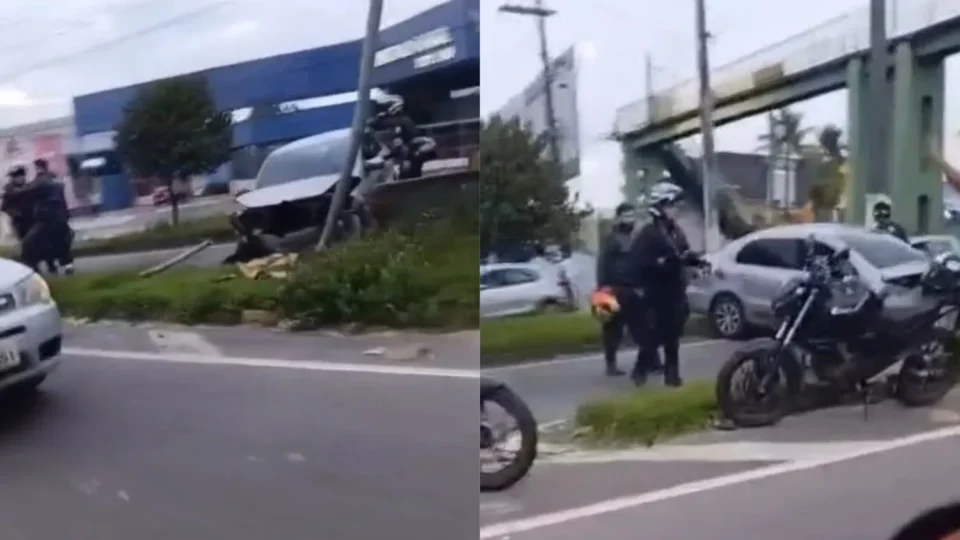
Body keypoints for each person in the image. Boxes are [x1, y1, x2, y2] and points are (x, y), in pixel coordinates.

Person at [628, 181, 708, 387]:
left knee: (673, 337)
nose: (677, 209)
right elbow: (639, 264)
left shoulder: (675, 232)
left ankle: (672, 377)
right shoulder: (648, 234)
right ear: (660, 206)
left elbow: (683, 253)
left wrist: (697, 261)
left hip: (675, 292)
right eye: (672, 205)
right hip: (655, 294)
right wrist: (662, 264)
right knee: (652, 338)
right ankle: (639, 372)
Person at [594, 202, 662, 377]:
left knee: (645, 325)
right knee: (612, 329)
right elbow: (603, 264)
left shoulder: (637, 237)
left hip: (634, 289)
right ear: (618, 218)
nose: (629, 219)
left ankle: (653, 362)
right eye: (626, 215)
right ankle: (611, 364)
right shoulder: (611, 239)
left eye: (632, 215)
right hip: (614, 289)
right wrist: (603, 289)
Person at [33, 158, 75, 274]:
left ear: (38, 168)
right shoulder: (55, 180)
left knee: (48, 241)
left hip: (47, 216)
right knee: (63, 240)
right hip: (59, 214)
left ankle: (53, 265)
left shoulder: (39, 181)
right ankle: (67, 264)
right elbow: (62, 199)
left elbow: (35, 200)